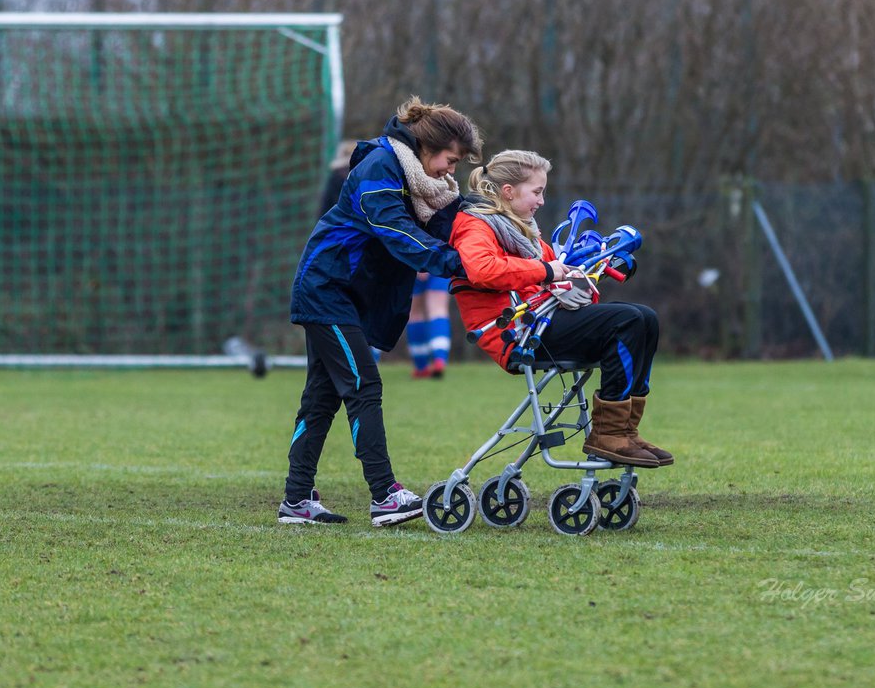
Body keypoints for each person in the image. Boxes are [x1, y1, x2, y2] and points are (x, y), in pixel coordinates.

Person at [279, 97, 484, 527]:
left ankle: (296, 501)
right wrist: (455, 263)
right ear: (429, 146)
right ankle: (385, 494)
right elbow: (394, 228)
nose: (452, 170)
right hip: (326, 290)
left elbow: (451, 218)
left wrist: (499, 229)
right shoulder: (381, 167)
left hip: (349, 295)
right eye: (451, 159)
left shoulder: (423, 180)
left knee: (321, 399)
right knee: (362, 385)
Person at [448, 150, 673, 468]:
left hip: (544, 321)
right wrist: (548, 272)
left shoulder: (524, 230)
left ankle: (625, 431)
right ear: (508, 191)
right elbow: (483, 269)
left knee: (645, 318)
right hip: (517, 334)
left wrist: (579, 282)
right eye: (536, 192)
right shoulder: (475, 225)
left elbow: (556, 280)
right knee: (627, 320)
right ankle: (608, 435)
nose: (541, 201)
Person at [406, 273, 452, 378]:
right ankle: (439, 359)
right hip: (439, 260)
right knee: (438, 310)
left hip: (412, 262)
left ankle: (421, 367)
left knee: (415, 314)